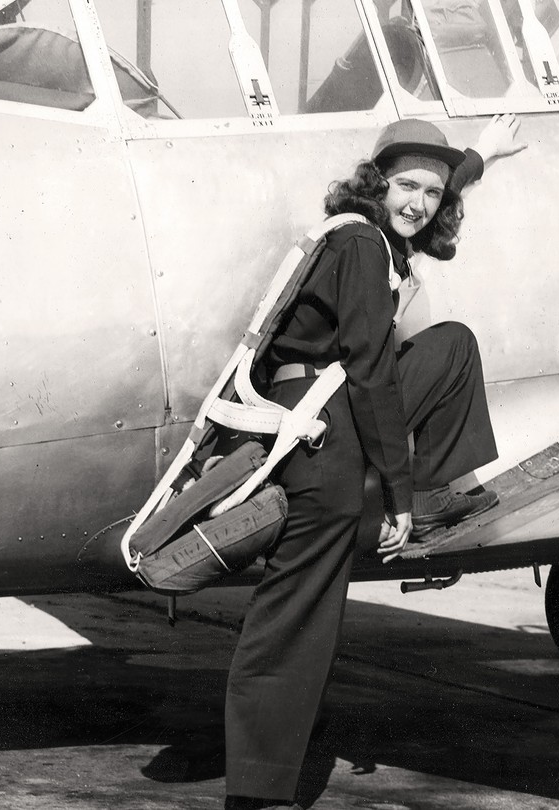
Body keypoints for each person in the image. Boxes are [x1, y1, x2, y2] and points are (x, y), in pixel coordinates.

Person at [223, 115, 524, 810]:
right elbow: (370, 375)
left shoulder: (370, 238)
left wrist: (478, 159)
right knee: (296, 624)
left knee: (449, 344)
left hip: (319, 425)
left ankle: (262, 780)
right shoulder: (361, 246)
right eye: (405, 186)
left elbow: (431, 190)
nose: (418, 202)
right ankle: (255, 793)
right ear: (375, 184)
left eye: (433, 192)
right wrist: (398, 497)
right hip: (323, 437)